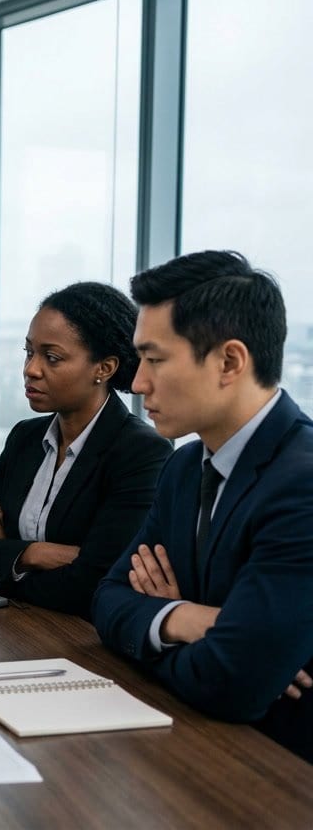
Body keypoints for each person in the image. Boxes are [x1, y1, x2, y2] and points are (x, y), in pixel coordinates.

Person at [93, 251, 313, 762]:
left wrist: (162, 628)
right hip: (195, 740)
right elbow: (106, 600)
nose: (137, 383)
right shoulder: (185, 466)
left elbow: (233, 682)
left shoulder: (303, 484)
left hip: (280, 768)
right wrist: (189, 620)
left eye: (155, 359)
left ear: (229, 362)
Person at [0, 282, 170, 618]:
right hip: (10, 626)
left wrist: (4, 555)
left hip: (81, 638)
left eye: (51, 358)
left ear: (104, 368)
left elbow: (93, 584)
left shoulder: (141, 452)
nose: (31, 369)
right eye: (29, 352)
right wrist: (33, 554)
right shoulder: (25, 437)